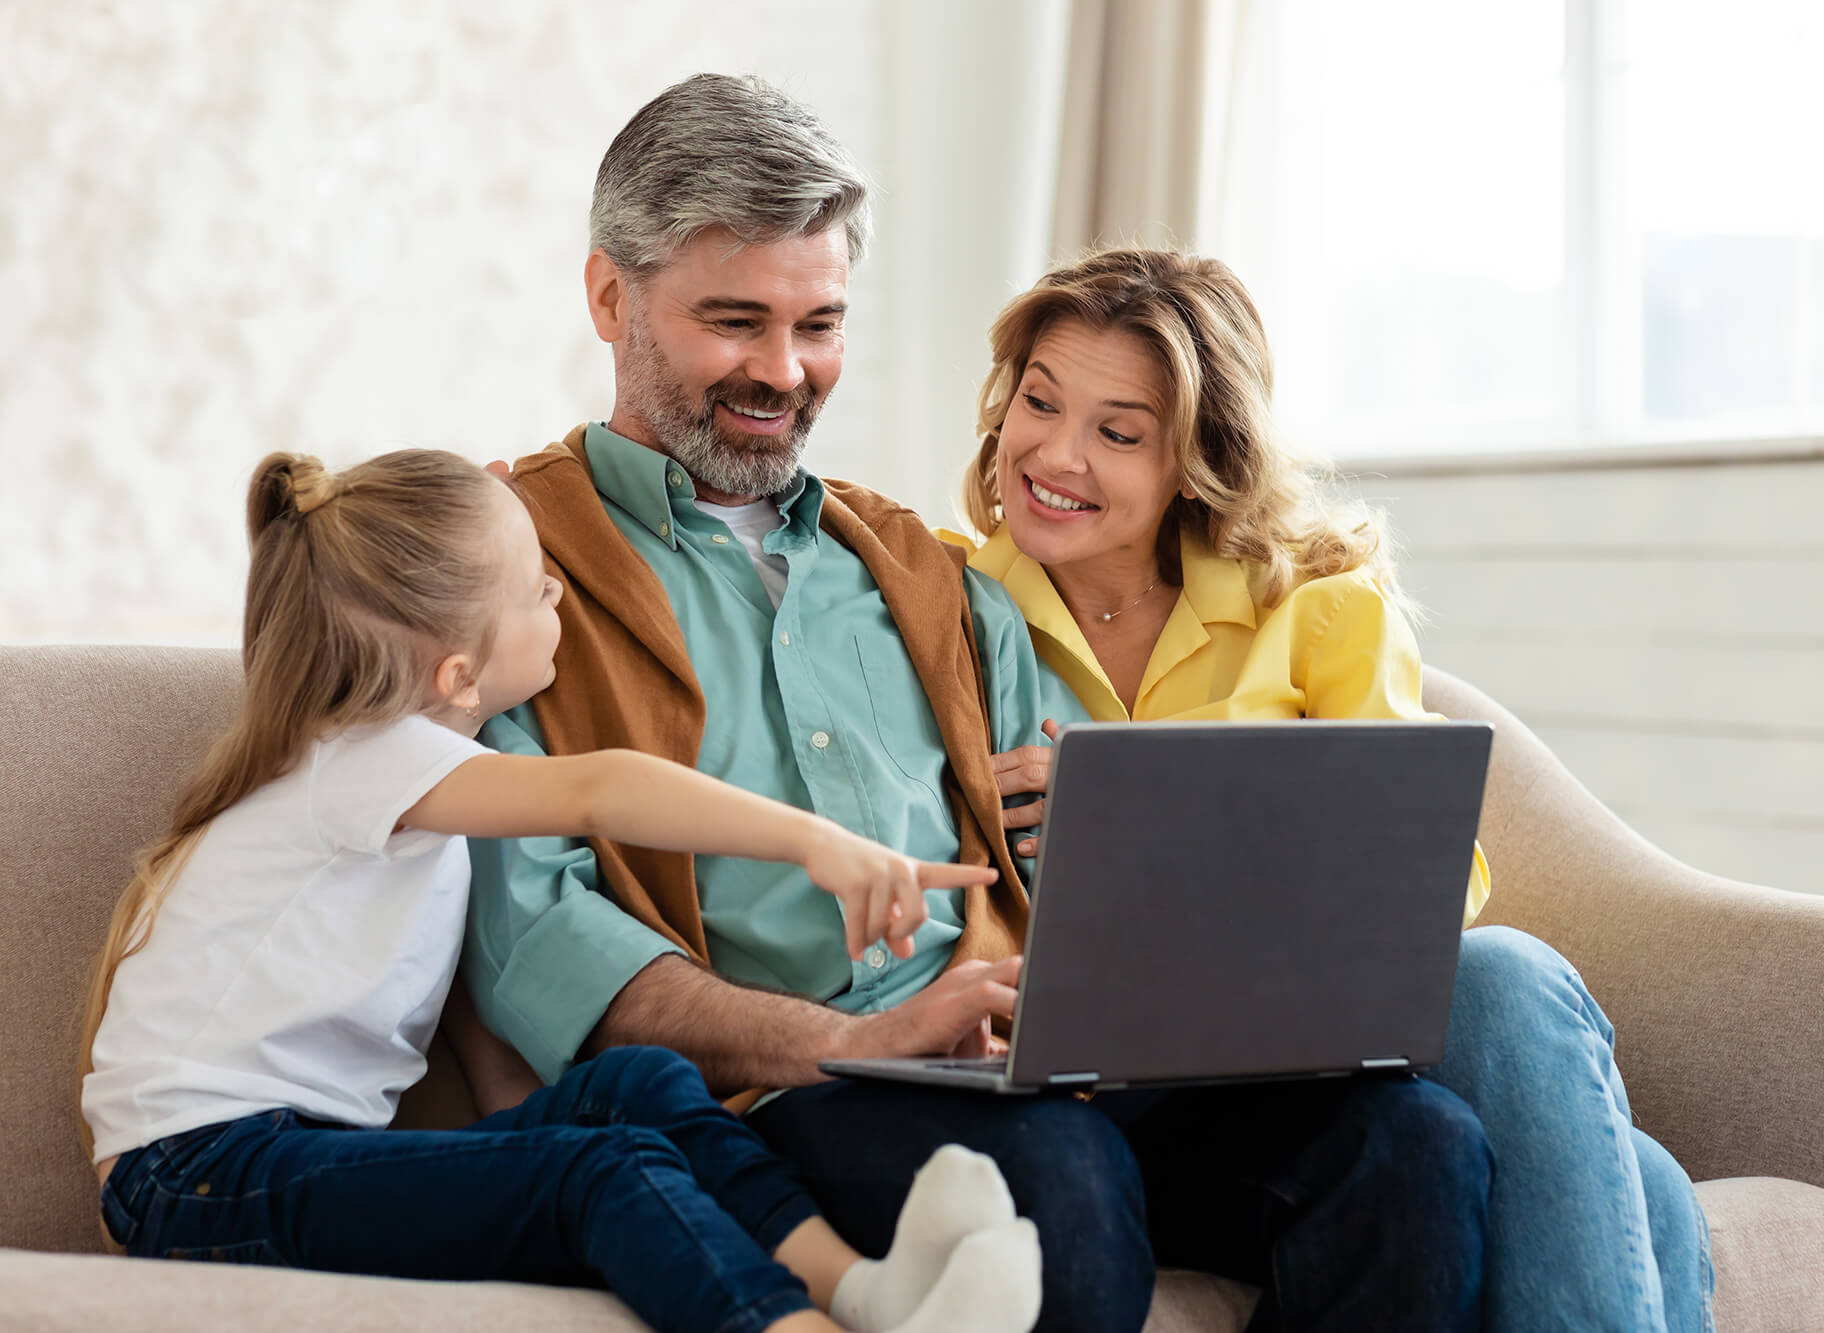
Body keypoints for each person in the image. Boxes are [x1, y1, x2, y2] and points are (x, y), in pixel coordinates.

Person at [465, 74, 1492, 1331]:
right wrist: (867, 1040)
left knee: (1412, 1145)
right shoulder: (509, 571)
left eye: (819, 324)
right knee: (1050, 1179)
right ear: (610, 296)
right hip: (777, 1094)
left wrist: (1106, 882)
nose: (782, 373)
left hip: (1010, 1069)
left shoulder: (927, 576)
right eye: (734, 322)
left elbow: (1062, 889)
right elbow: (538, 948)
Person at [78, 449, 1044, 1333]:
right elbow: (603, 788)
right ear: (457, 673)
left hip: (274, 1160)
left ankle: (863, 1286)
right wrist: (818, 843)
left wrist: (537, 1134)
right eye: (538, 588)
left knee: (637, 1087)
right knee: (604, 1171)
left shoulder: (421, 806)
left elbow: (500, 1077)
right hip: (197, 1175)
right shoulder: (368, 760)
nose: (560, 597)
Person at [955, 246, 1715, 1333]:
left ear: (1196, 458)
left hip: (1291, 1073)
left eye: (1116, 432)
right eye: (1038, 402)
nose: (1056, 454)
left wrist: (1155, 814)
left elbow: (1422, 889)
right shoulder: (941, 604)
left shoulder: (1312, 601)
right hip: (1084, 1094)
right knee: (1640, 1181)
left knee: (1502, 971)